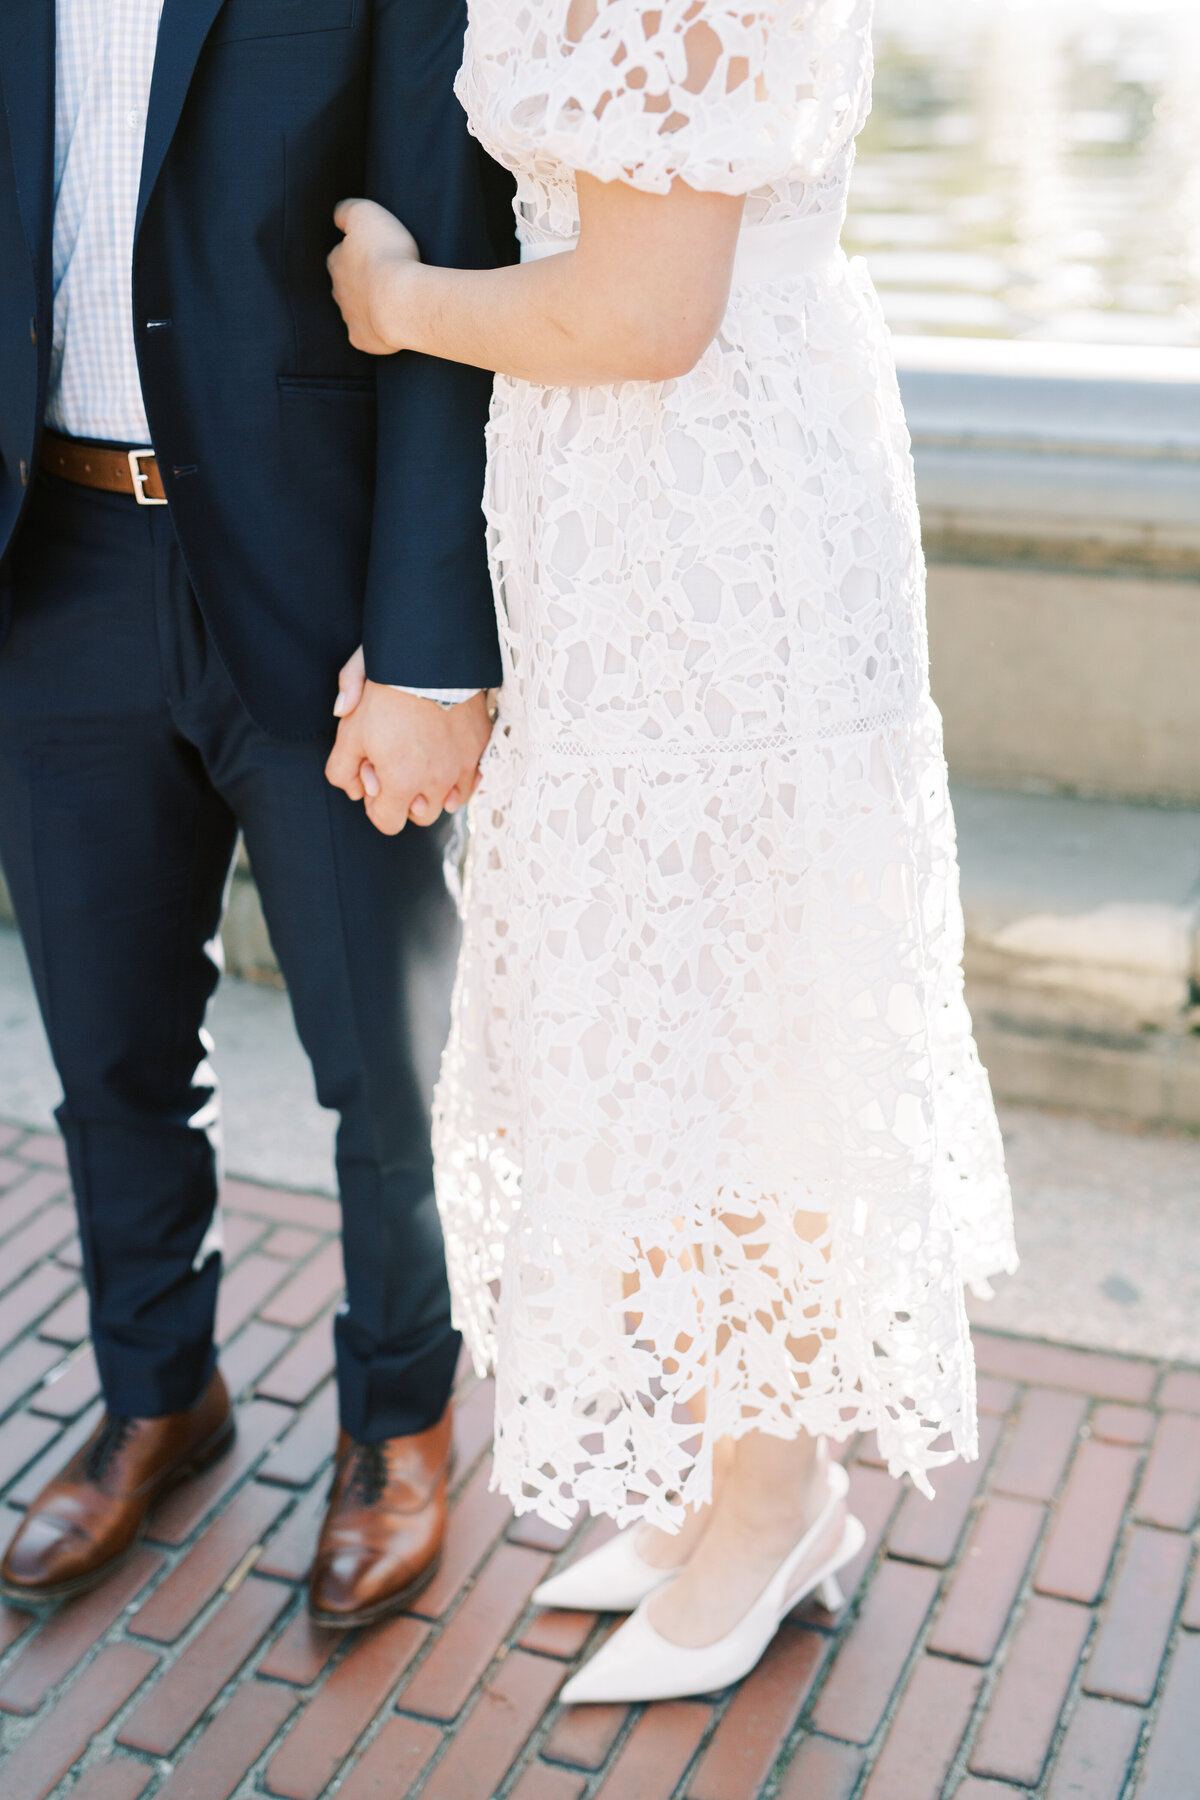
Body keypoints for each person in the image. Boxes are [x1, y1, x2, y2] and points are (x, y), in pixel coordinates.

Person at [328, 0, 1019, 1698]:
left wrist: (401, 303)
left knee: (750, 1010)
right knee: (660, 999)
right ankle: (728, 1471)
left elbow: (645, 309)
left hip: (720, 518)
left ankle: (778, 1500)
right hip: (612, 510)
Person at [0, 0, 513, 1629]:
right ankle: (162, 1395)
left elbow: (446, 251)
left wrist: (433, 638)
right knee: (107, 1052)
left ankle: (401, 1421)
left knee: (386, 1063)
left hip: (312, 582)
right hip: (53, 569)